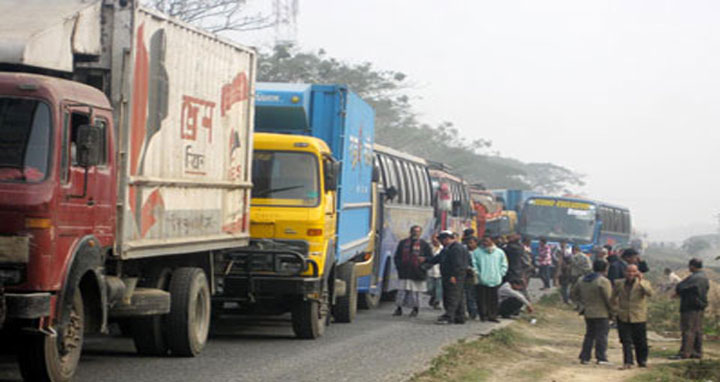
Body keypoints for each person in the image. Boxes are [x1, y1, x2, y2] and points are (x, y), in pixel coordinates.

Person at [571, 260, 613, 365]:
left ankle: (585, 357)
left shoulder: (582, 280)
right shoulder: (603, 281)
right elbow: (609, 298)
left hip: (588, 311)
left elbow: (573, 294)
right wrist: (613, 312)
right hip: (602, 312)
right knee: (601, 335)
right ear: (605, 269)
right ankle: (601, 357)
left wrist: (581, 304)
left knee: (589, 334)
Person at [612, 264, 653, 369]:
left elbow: (650, 293)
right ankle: (628, 362)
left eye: (633, 271)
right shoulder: (619, 283)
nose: (630, 274)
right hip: (623, 316)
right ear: (625, 272)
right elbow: (612, 297)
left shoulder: (643, 283)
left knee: (641, 341)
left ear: (637, 272)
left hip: (638, 316)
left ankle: (642, 361)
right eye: (628, 271)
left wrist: (641, 281)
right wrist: (615, 310)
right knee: (625, 340)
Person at [426, 231, 470, 324]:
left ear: (447, 239)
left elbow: (458, 264)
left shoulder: (456, 248)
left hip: (454, 276)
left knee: (451, 296)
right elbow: (438, 258)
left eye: (442, 240)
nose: (441, 243)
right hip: (448, 275)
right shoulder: (447, 248)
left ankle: (449, 316)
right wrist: (426, 260)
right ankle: (460, 316)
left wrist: (453, 275)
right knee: (459, 297)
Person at [670, 258, 710, 360]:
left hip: (690, 306)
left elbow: (682, 286)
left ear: (692, 266)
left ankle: (685, 353)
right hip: (699, 306)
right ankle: (696, 352)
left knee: (688, 330)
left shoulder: (695, 278)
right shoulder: (703, 277)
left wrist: (678, 290)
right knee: (697, 330)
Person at [392, 225, 433, 317]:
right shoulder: (403, 243)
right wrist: (399, 266)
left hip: (417, 273)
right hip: (404, 273)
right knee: (401, 292)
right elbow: (397, 257)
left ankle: (415, 309)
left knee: (416, 294)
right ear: (410, 232)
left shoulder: (424, 245)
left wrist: (424, 267)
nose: (416, 233)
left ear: (420, 233)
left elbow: (430, 259)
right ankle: (399, 309)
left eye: (418, 231)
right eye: (414, 231)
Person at [471, 236, 508, 322]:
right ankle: (483, 315)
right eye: (483, 241)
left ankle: (493, 316)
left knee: (493, 299)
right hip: (482, 280)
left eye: (487, 241)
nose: (485, 243)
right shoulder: (477, 252)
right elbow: (474, 265)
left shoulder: (500, 252)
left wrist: (501, 274)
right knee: (482, 299)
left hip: (495, 279)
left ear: (492, 241)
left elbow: (504, 264)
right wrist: (478, 274)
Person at [465, 236, 481, 320]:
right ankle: (472, 311)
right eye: (468, 243)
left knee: (478, 294)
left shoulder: (480, 252)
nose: (470, 245)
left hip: (480, 276)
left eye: (471, 243)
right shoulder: (465, 252)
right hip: (469, 276)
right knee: (469, 294)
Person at [426, 234, 443, 309]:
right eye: (433, 238)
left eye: (436, 238)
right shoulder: (428, 248)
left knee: (439, 288)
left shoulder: (443, 248)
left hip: (440, 272)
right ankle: (433, 296)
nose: (435, 240)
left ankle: (437, 302)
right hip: (430, 271)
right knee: (430, 288)